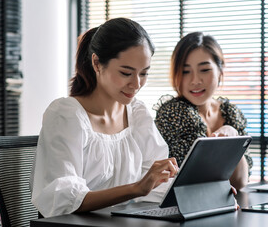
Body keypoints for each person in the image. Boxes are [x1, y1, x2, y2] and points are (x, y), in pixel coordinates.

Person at [30, 18, 179, 218]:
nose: (136, 84)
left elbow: (158, 185)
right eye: (126, 73)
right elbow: (63, 199)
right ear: (96, 63)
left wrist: (204, 192)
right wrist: (136, 188)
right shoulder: (66, 116)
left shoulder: (137, 114)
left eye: (143, 74)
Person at [154, 32, 253, 190]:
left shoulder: (230, 112)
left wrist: (232, 133)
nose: (195, 81)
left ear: (220, 70)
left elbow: (240, 182)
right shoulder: (174, 113)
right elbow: (198, 181)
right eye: (186, 71)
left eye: (204, 70)